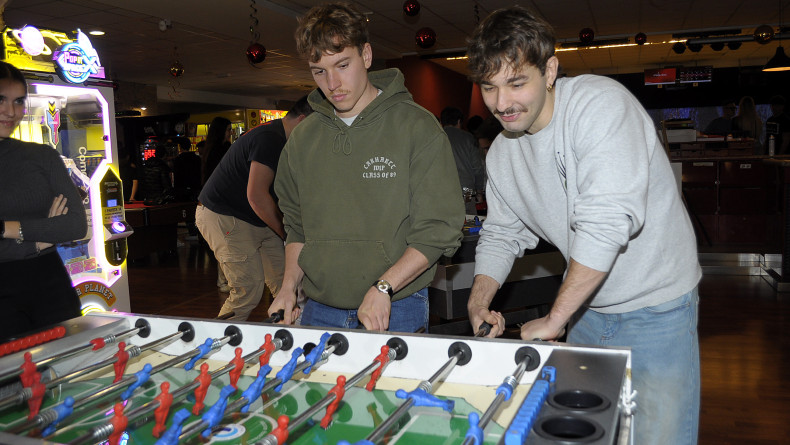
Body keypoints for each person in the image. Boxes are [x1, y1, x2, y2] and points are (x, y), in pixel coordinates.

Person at [464, 7, 701, 445]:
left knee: (658, 437)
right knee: (587, 434)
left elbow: (606, 223)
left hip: (658, 307)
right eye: (489, 87)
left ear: (550, 70)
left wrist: (556, 318)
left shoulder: (600, 104)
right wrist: (479, 301)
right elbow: (501, 233)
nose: (502, 103)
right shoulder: (501, 153)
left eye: (516, 83)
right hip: (587, 307)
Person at [269, 2, 464, 332]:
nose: (332, 83)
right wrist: (288, 287)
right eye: (319, 71)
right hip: (320, 306)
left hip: (397, 302)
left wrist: (384, 286)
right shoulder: (302, 138)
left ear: (367, 55)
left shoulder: (417, 127)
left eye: (342, 65)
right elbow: (297, 227)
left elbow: (438, 230)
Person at [196, 97, 312, 321]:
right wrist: (287, 233)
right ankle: (219, 341)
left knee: (289, 283)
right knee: (248, 288)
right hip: (225, 215)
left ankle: (289, 337)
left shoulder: (285, 141)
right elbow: (257, 196)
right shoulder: (270, 138)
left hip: (256, 218)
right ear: (302, 120)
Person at [0, 61, 87, 340]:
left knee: (69, 362)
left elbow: (76, 224)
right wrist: (39, 240)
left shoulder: (41, 156)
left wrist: (6, 228)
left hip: (50, 285)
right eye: (1, 100)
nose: (11, 112)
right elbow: (58, 229)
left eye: (18, 101)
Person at [441, 107, 486, 215]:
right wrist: (479, 192)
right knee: (468, 215)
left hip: (442, 190)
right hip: (467, 190)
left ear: (442, 122)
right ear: (459, 121)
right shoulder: (468, 138)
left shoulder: (436, 137)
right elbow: (477, 168)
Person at [201, 117, 232, 185]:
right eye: (229, 130)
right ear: (221, 131)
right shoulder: (219, 150)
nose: (231, 133)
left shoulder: (210, 147)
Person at [171, 137, 201, 202]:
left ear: (180, 147)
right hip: (195, 190)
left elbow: (176, 177)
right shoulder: (197, 159)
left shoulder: (178, 160)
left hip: (181, 191)